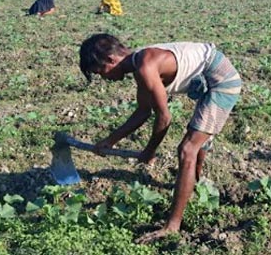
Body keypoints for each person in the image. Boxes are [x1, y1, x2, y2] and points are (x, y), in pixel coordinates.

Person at [79, 34, 242, 243]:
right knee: (195, 144)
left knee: (187, 150)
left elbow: (164, 117)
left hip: (221, 80)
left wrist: (149, 151)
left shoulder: (145, 66)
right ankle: (194, 185)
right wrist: (110, 140)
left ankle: (172, 225)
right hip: (207, 78)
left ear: (111, 60)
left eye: (100, 71)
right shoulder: (140, 64)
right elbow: (143, 111)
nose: (104, 77)